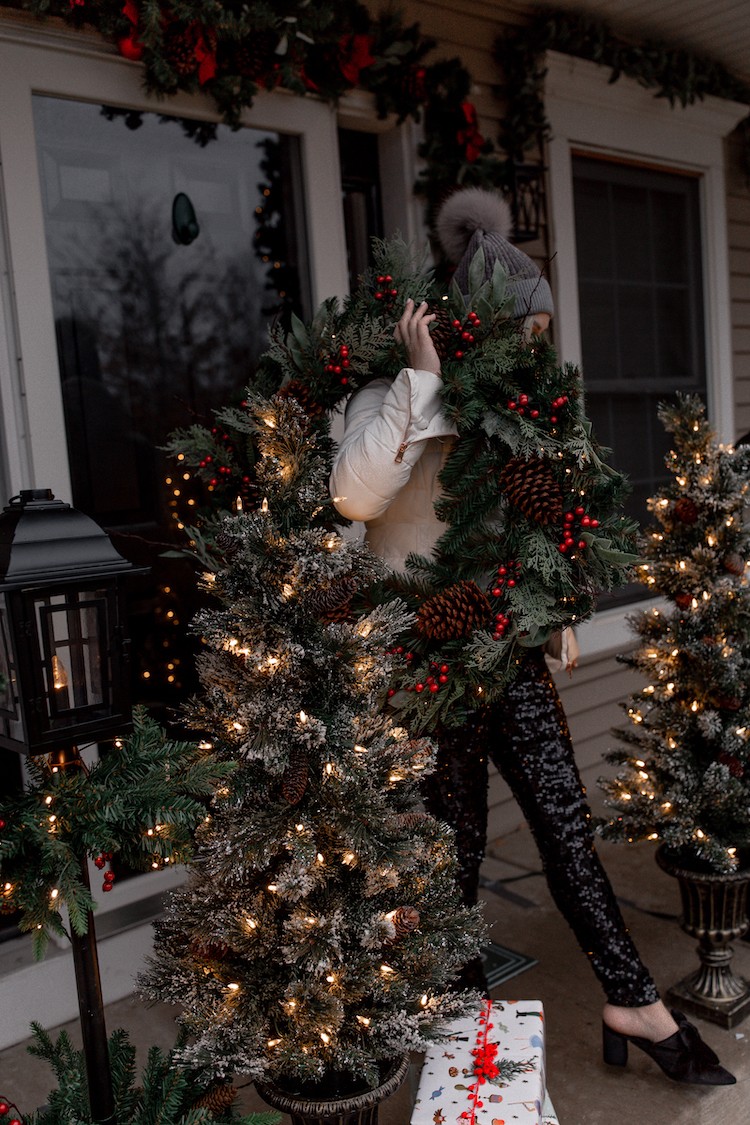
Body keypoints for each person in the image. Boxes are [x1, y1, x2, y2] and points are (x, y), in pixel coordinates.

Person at [330, 186, 735, 1086]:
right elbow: (356, 495)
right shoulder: (386, 391)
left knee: (565, 828)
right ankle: (462, 1020)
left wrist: (550, 622)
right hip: (426, 666)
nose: (543, 357)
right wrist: (423, 376)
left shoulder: (525, 420)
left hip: (505, 656)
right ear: (476, 327)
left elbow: (538, 539)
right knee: (456, 847)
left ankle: (634, 999)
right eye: (530, 335)